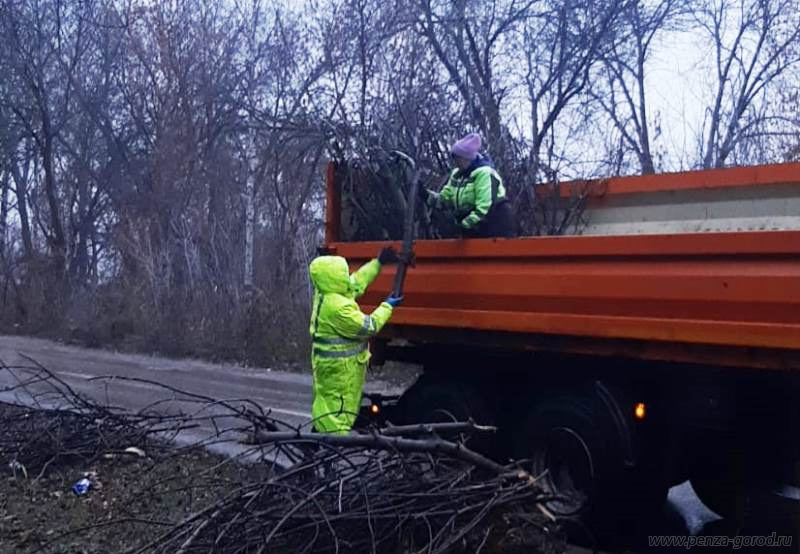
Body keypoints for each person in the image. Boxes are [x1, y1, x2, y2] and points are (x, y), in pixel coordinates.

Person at [308, 247, 402, 434]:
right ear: (335, 277)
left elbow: (357, 283)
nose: (347, 275)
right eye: (343, 273)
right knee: (337, 414)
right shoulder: (338, 308)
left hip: (332, 367)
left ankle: (314, 447)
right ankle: (328, 452)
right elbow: (369, 326)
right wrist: (387, 306)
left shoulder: (327, 293)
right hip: (340, 370)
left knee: (328, 407)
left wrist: (378, 263)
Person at [424, 133, 515, 238]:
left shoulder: (484, 174)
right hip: (474, 225)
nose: (455, 162)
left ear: (466, 158)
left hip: (494, 226)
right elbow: (445, 199)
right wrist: (427, 195)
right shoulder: (457, 175)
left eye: (458, 159)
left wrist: (462, 226)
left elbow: (484, 207)